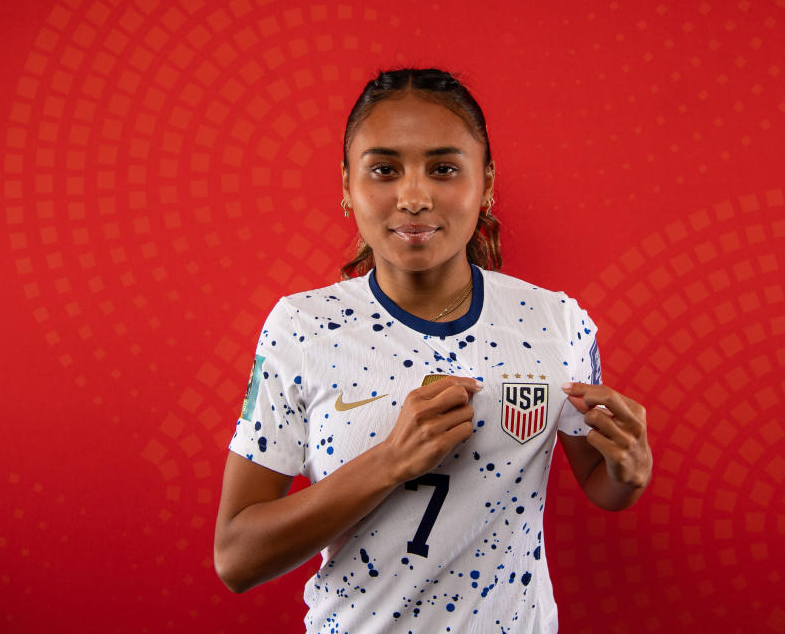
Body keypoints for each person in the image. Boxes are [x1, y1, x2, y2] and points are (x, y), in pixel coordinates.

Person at [214, 68, 653, 633]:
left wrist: (630, 472)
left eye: (444, 169)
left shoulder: (557, 323)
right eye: (384, 169)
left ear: (486, 182)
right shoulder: (300, 328)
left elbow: (603, 484)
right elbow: (237, 557)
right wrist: (391, 460)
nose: (415, 197)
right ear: (347, 184)